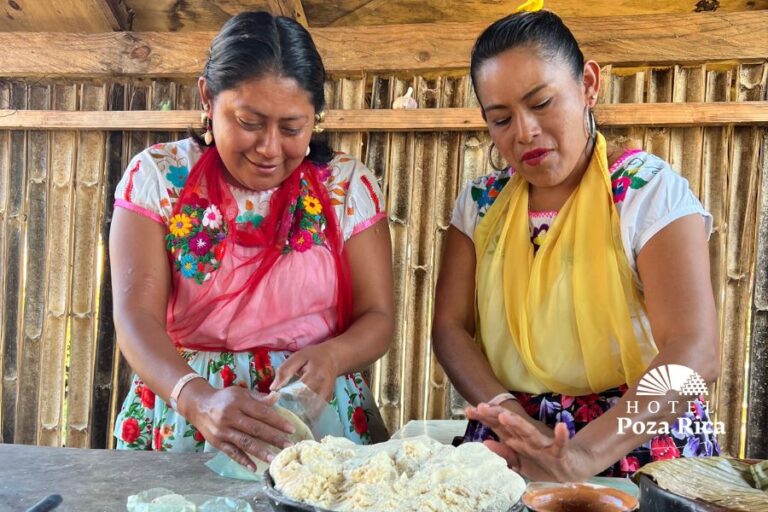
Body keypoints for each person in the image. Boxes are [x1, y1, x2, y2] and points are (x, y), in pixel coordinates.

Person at [432, 9, 721, 481]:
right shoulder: (480, 205)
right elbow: (450, 327)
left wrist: (584, 453)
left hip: (635, 436)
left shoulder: (645, 192)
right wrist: (512, 419)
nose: (524, 132)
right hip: (516, 439)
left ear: (588, 84)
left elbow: (695, 349)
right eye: (501, 119)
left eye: (542, 102)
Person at [110, 11, 393, 470]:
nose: (269, 147)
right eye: (249, 121)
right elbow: (136, 317)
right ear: (207, 96)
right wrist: (194, 397)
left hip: (316, 422)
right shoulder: (158, 178)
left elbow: (378, 317)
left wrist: (334, 354)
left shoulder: (346, 187)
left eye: (292, 127)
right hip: (186, 415)